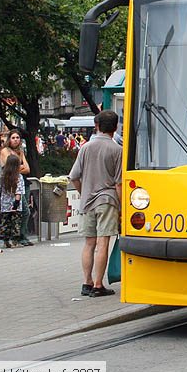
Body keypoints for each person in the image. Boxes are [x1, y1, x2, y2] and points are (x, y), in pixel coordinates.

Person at [69, 110, 122, 298]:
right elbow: (118, 184)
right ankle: (99, 285)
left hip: (87, 201)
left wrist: (83, 192)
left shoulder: (85, 148)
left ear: (97, 126)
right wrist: (122, 206)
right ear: (115, 127)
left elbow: (74, 177)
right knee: (103, 242)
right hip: (107, 200)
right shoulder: (117, 150)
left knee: (89, 243)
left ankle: (87, 282)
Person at [0, 129, 33, 247]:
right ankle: (15, 238)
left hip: (22, 183)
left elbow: (27, 169)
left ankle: (20, 236)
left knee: (22, 212)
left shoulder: (20, 152)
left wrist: (18, 167)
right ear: (9, 139)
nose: (15, 140)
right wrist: (19, 167)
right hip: (12, 186)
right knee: (21, 213)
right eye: (13, 137)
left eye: (17, 137)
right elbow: (8, 168)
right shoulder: (5, 151)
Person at [0, 155, 24, 248]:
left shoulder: (2, 177)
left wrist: (0, 199)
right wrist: (15, 204)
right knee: (15, 223)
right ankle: (15, 240)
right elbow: (18, 192)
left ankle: (6, 240)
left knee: (5, 223)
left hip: (4, 205)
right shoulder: (19, 177)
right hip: (16, 206)